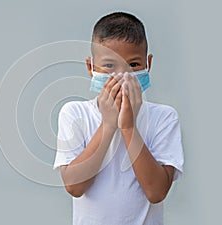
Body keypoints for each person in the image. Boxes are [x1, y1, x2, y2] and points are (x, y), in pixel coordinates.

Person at [53, 12, 184, 225]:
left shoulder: (164, 117)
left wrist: (128, 126)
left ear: (148, 64)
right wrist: (108, 124)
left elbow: (156, 192)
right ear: (91, 67)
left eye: (133, 65)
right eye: (110, 66)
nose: (122, 75)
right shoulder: (75, 113)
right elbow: (75, 187)